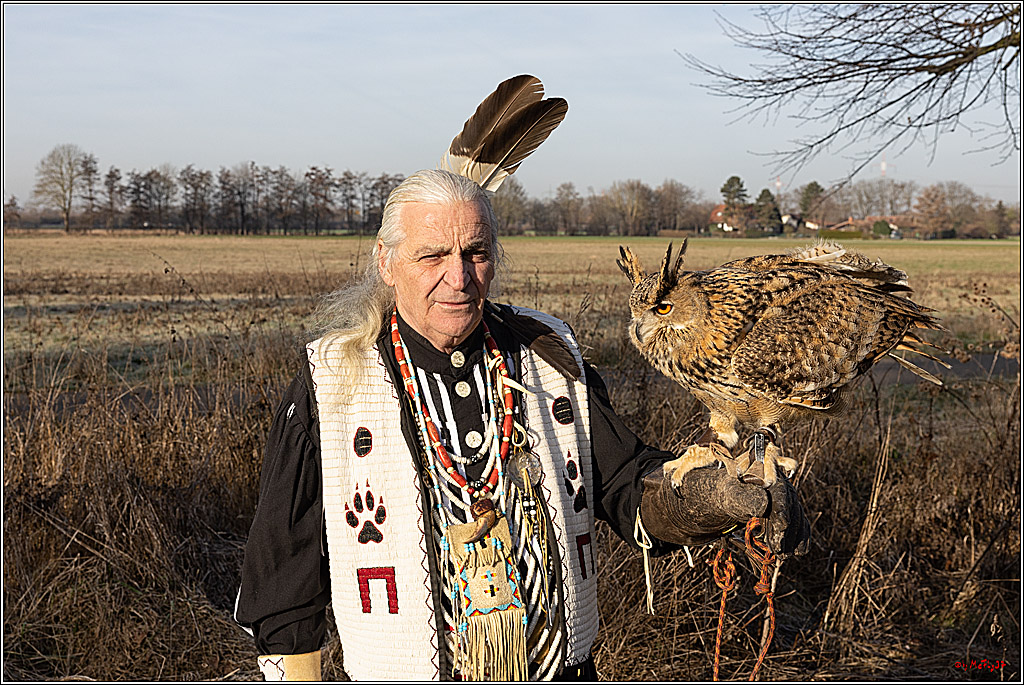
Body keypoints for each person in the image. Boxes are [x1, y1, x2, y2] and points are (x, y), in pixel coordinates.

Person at [234, 169, 810, 681]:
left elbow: (624, 485)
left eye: (476, 253)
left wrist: (713, 496)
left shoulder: (548, 354)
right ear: (386, 263)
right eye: (432, 256)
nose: (459, 278)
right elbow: (286, 565)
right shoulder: (332, 380)